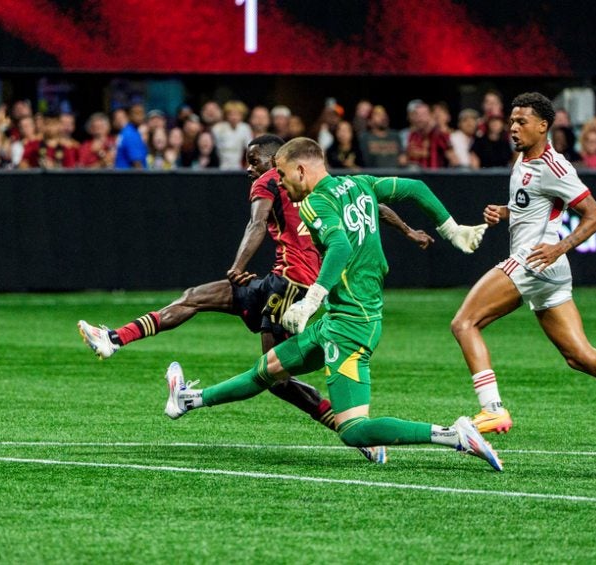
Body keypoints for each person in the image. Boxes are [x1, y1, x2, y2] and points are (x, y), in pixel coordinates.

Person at [79, 134, 434, 463]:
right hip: (280, 283)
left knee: (274, 376)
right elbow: (375, 206)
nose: (249, 169)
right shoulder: (328, 183)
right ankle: (115, 339)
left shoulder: (270, 180)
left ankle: (361, 437)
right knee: (196, 298)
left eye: (254, 161)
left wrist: (237, 266)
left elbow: (257, 224)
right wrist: (409, 231)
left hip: (289, 287)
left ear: (276, 160)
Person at [160, 137, 501, 471]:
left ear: (300, 170)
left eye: (280, 174)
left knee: (353, 429)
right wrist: (451, 229)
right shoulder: (359, 184)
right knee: (268, 370)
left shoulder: (313, 204)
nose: (278, 181)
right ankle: (189, 400)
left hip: (351, 327)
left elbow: (339, 247)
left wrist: (309, 301)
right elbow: (415, 188)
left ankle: (455, 435)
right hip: (340, 319)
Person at [448, 92, 596, 449]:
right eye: (511, 121)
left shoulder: (556, 167)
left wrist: (560, 246)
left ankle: (492, 409)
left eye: (521, 122)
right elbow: (528, 206)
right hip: (550, 270)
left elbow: (595, 215)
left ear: (543, 126)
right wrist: (504, 212)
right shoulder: (523, 159)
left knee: (464, 324)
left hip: (535, 260)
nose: (513, 127)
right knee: (579, 356)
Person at [357, 105, 401, 169]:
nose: (383, 117)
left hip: (394, 177)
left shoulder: (395, 136)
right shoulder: (364, 138)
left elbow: (402, 157)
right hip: (374, 177)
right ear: (369, 121)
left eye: (384, 114)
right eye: (378, 115)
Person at [114, 103, 148, 169]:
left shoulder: (125, 131)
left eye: (142, 113)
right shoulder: (131, 134)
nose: (140, 117)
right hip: (130, 177)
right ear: (129, 116)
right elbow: (137, 163)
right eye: (136, 113)